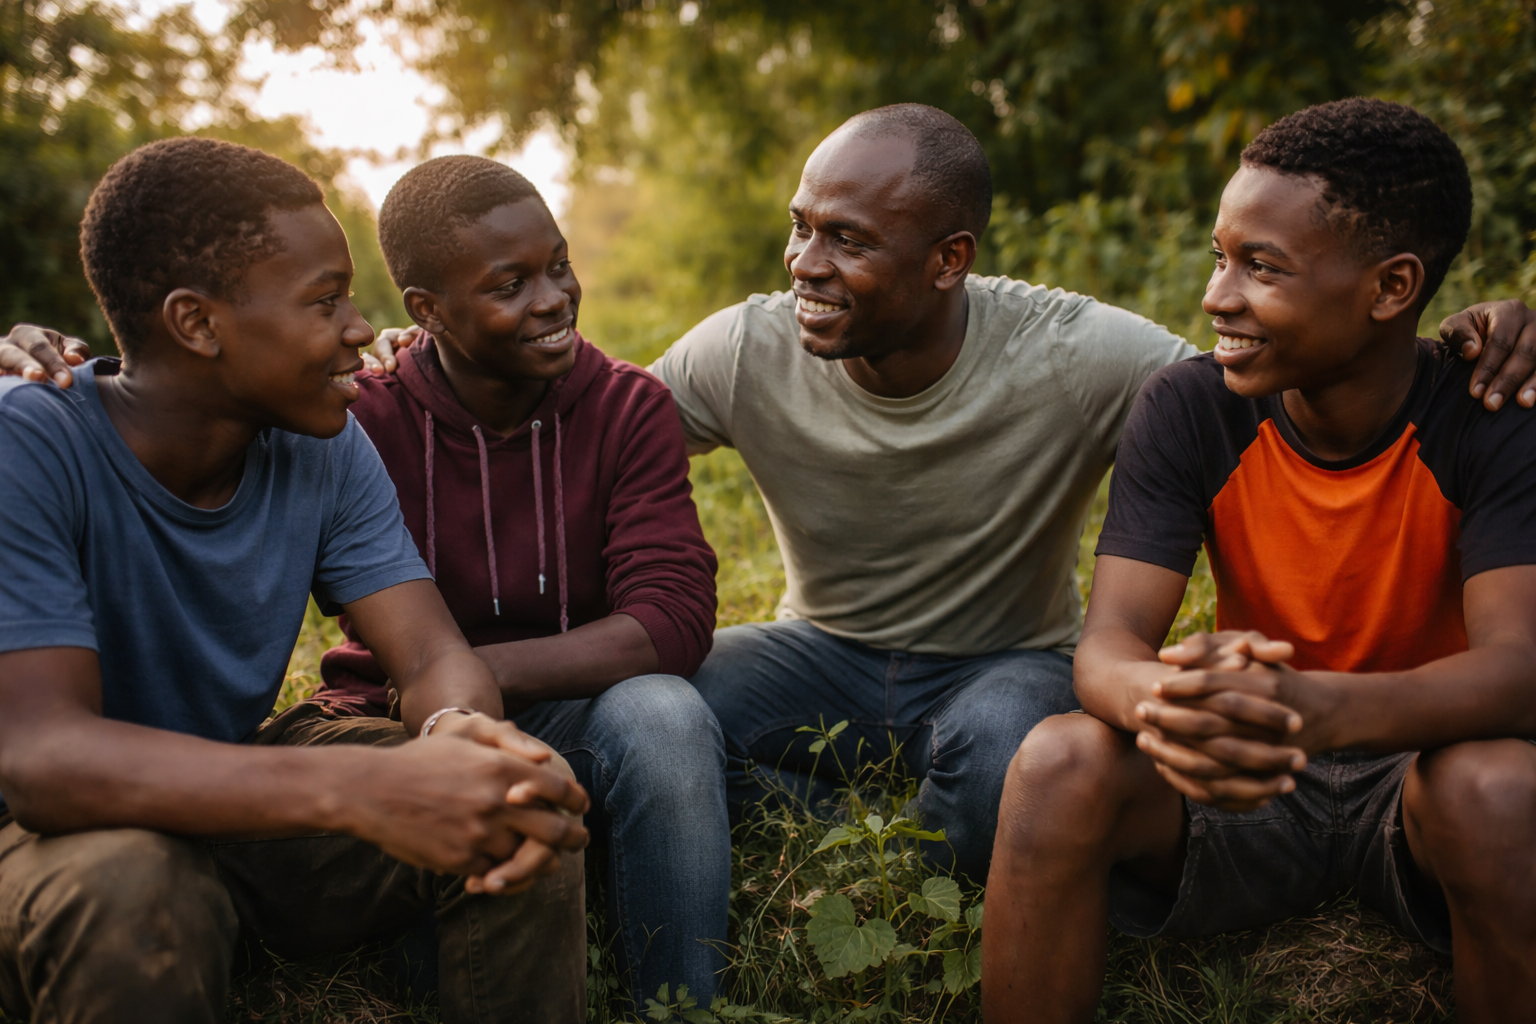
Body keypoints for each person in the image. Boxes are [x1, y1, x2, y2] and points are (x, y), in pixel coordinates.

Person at [0, 137, 590, 1024]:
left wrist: (460, 735)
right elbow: (45, 762)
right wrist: (369, 790)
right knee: (133, 882)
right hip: (43, 844)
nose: (361, 327)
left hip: (227, 801)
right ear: (198, 324)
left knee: (506, 788)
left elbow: (430, 652)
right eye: (325, 302)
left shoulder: (321, 443)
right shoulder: (28, 442)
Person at [982, 98, 1536, 1023]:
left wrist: (1316, 709)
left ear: (1391, 287)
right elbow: (1108, 646)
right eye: (1219, 255)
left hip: (1422, 781)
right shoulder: (1191, 408)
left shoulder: (1487, 418)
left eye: (1261, 266)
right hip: (1243, 778)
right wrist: (1170, 701)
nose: (1216, 295)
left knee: (1502, 788)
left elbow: (1520, 675)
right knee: (1057, 761)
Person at [320, 155, 728, 1005]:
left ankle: (680, 1004)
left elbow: (673, 621)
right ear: (427, 312)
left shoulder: (627, 407)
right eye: (510, 284)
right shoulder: (361, 422)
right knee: (422, 964)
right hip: (406, 729)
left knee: (665, 713)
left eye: (558, 265)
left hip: (582, 709)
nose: (552, 298)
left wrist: (467, 674)